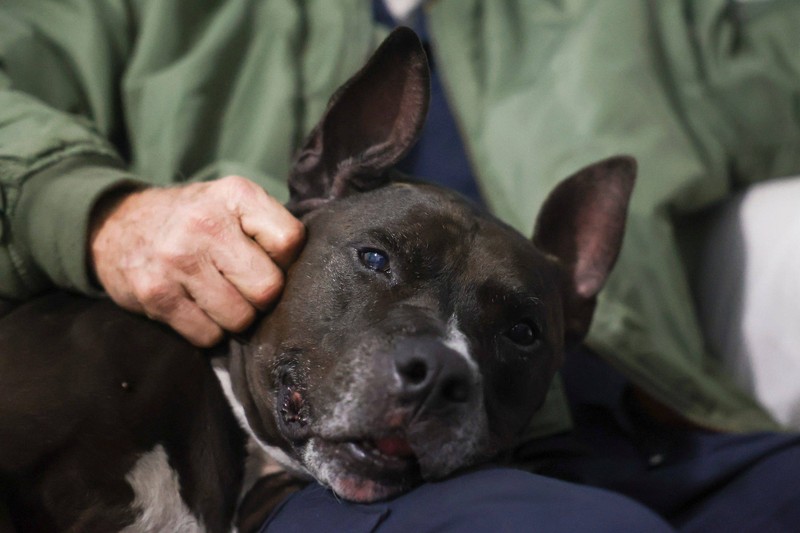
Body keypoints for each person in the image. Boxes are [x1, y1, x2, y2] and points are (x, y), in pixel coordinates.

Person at [1, 1, 800, 531]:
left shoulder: (623, 18)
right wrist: (99, 211)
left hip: (658, 431)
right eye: (376, 260)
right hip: (401, 474)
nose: (438, 365)